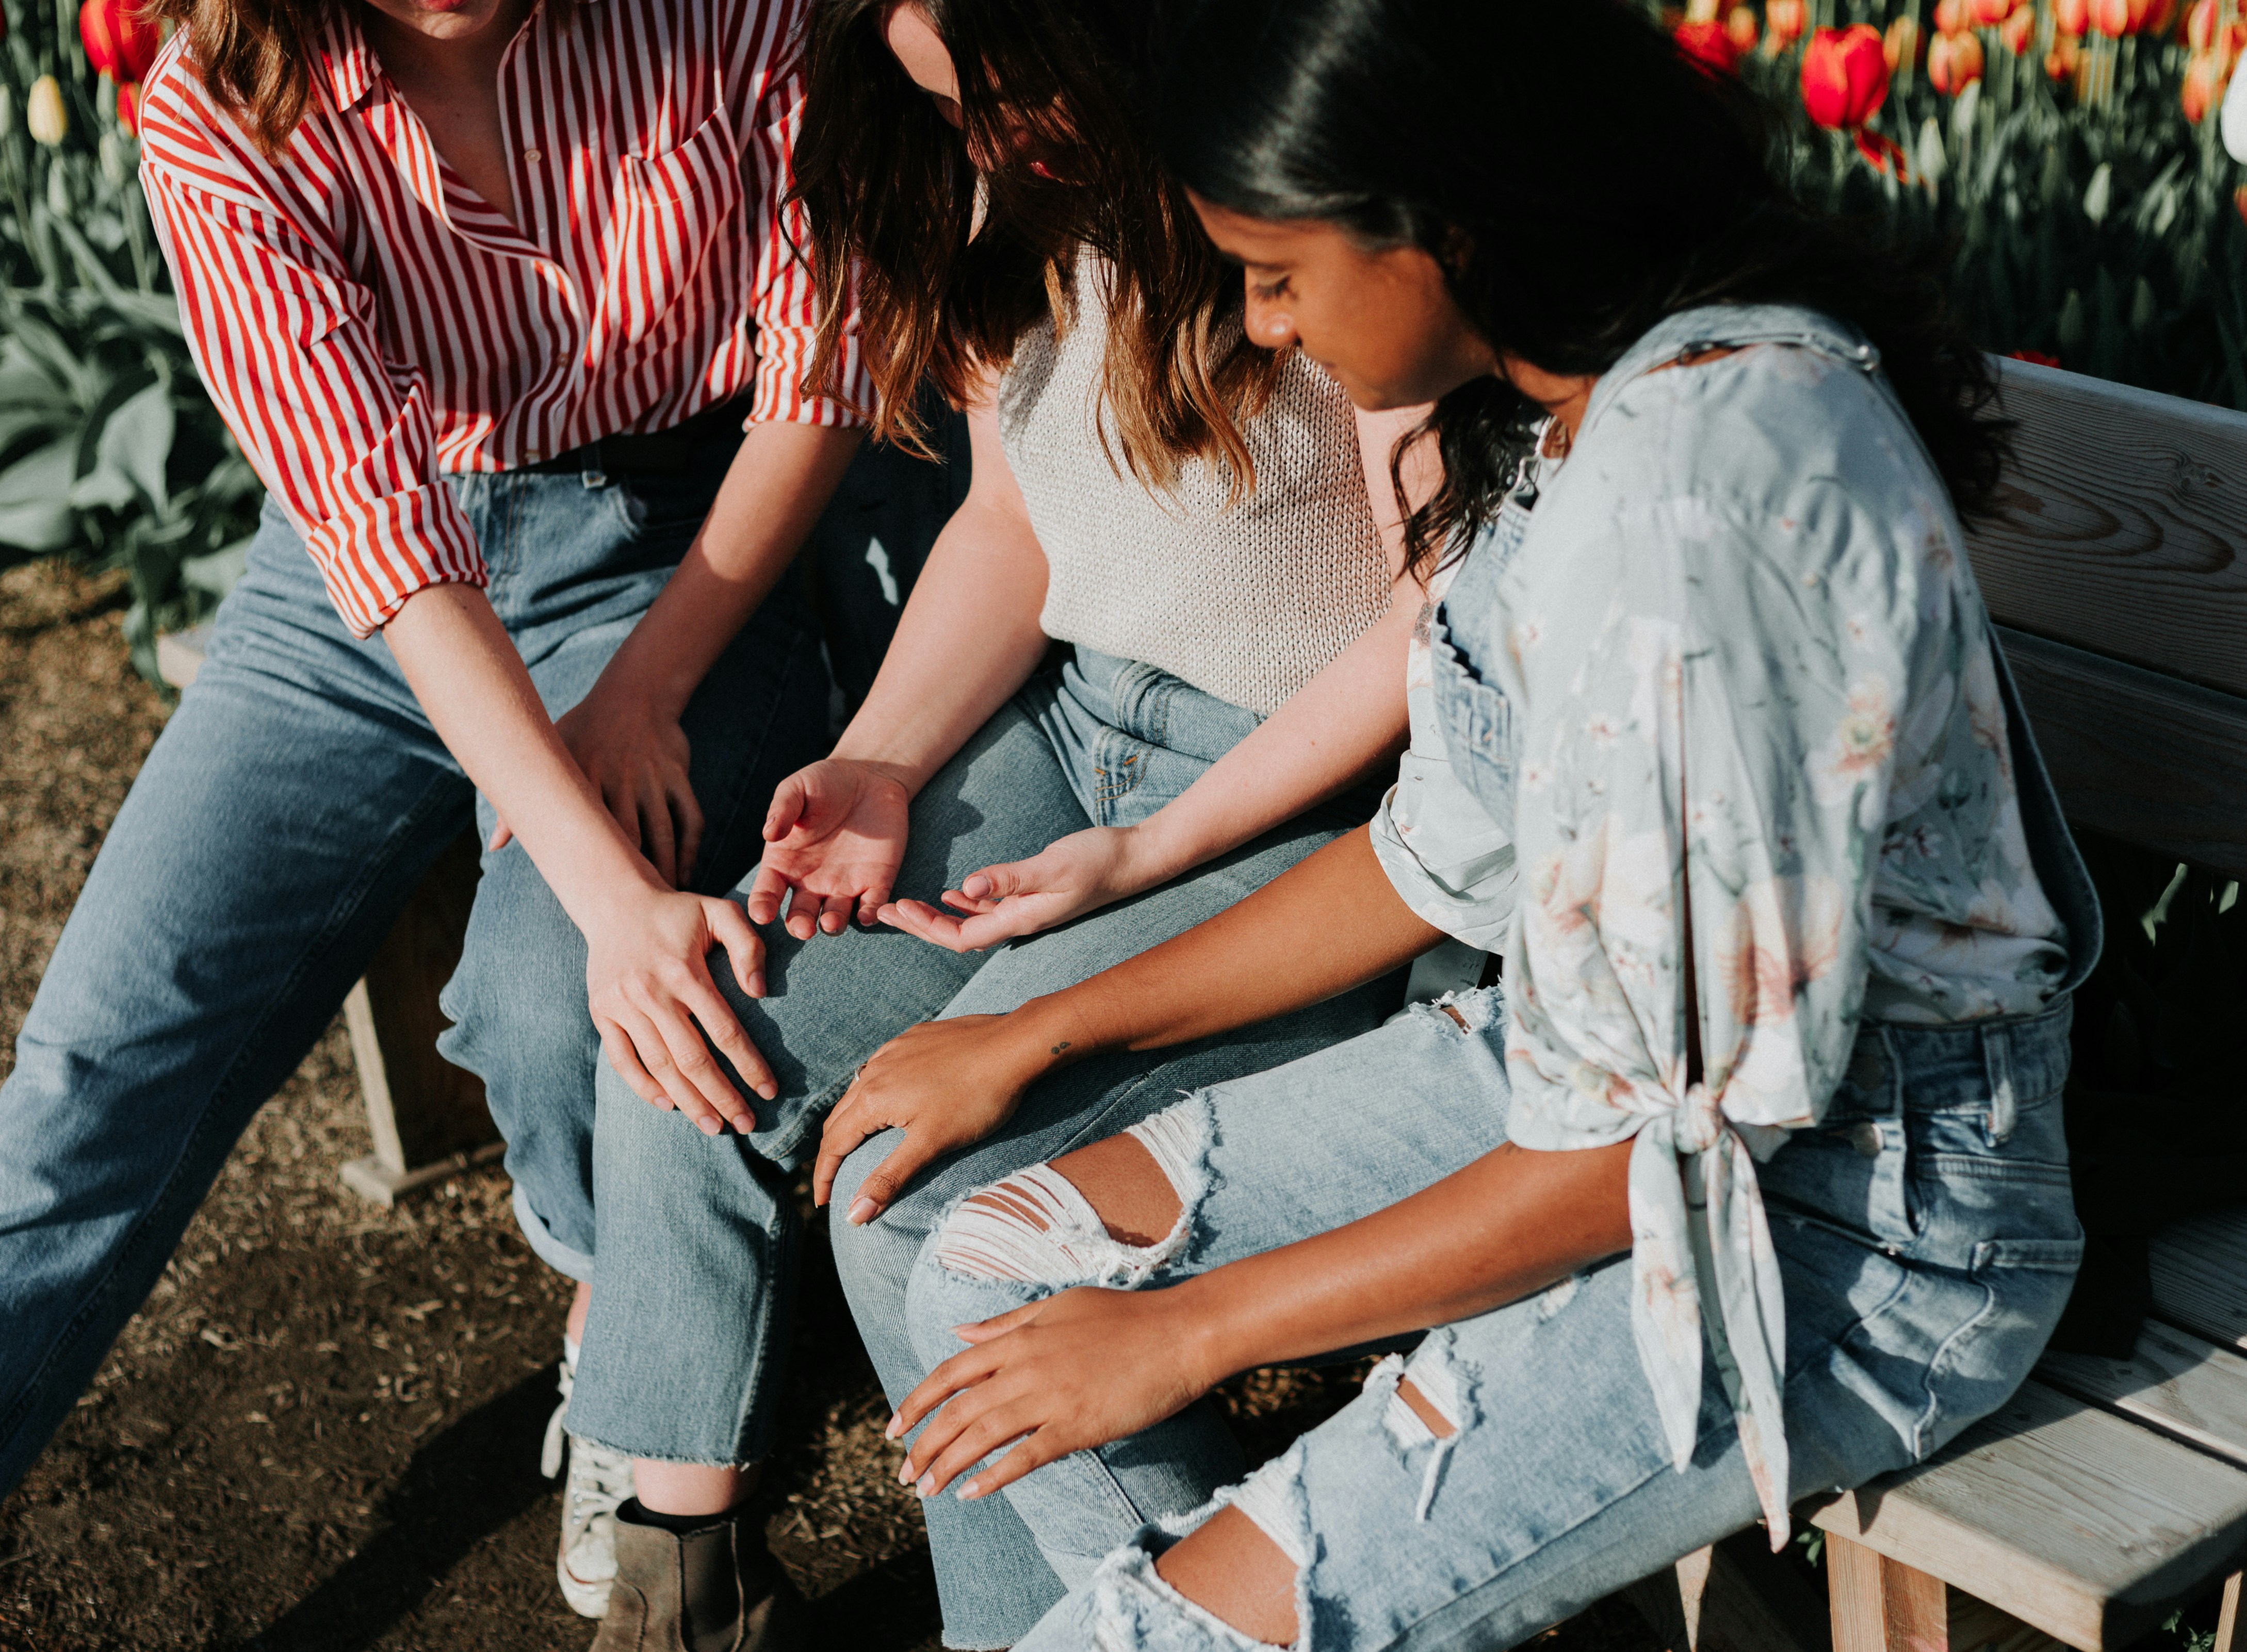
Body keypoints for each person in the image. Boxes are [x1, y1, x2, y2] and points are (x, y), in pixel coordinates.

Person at [849, 3, 2107, 1647]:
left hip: (1839, 1228)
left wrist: (1187, 1333)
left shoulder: (1694, 516)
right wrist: (1037, 1030)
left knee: (1135, 1616)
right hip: (1574, 1077)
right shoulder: (1557, 406)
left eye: (1277, 274)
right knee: (986, 1265)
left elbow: (1637, 1161)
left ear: (1445, 222)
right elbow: (1423, 857)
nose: (1258, 324)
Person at [0, 0, 869, 1643]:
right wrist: (583, 849)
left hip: (681, 558)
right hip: (370, 583)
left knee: (556, 998)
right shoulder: (217, 106)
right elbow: (380, 536)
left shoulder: (728, 10)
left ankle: (618, 1325)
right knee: (101, 1065)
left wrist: (640, 698)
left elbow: (823, 361)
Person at [449, 0, 1452, 1643]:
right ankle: (674, 1595)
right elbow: (1010, 523)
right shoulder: (995, 193)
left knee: (917, 1178)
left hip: (1299, 798)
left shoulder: (1290, 202)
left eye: (1005, 96)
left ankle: (1131, 1606)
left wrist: (1156, 846)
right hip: (1067, 734)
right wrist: (883, 763)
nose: (986, 141)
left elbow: (1428, 621)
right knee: (692, 1043)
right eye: (942, 105)